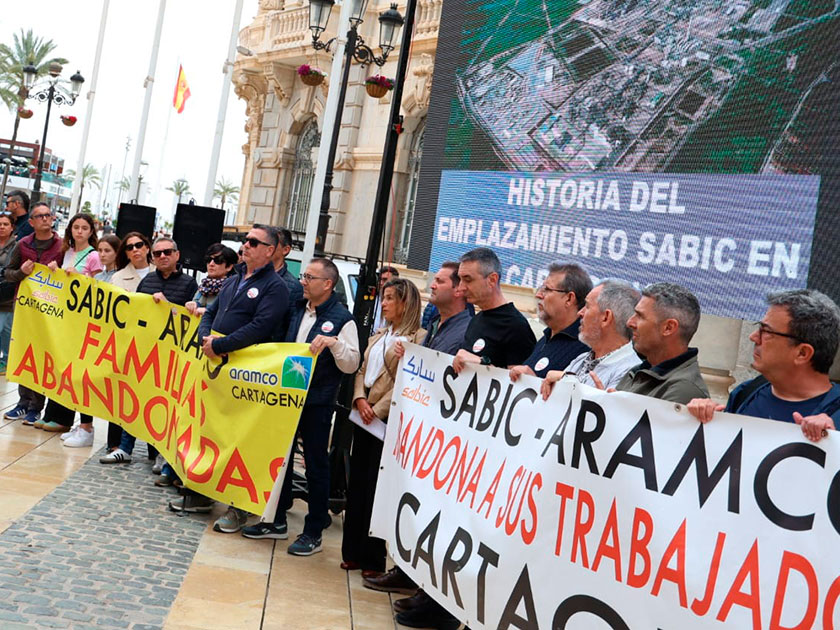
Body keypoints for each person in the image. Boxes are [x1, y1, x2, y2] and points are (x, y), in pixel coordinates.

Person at [170, 225, 290, 531]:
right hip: (219, 369)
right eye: (245, 240)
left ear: (270, 250)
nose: (245, 245)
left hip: (249, 373)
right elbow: (211, 312)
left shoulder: (275, 287)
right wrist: (205, 337)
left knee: (244, 440)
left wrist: (221, 345)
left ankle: (239, 507)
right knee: (213, 432)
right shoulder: (234, 279)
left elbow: (261, 326)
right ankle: (202, 493)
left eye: (253, 242)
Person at [242, 257, 360, 554]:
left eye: (309, 277)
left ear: (328, 284)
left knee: (316, 465)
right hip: (286, 398)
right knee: (278, 459)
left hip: (317, 402)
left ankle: (313, 530)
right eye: (303, 276)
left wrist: (334, 343)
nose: (303, 281)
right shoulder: (296, 308)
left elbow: (351, 364)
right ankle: (276, 519)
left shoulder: (342, 318)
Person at [342, 278, 425, 576]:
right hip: (364, 413)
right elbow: (362, 370)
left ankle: (372, 558)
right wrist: (359, 399)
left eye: (391, 298)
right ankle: (352, 550)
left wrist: (376, 410)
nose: (385, 304)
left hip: (386, 419)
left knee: (375, 489)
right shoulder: (380, 334)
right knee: (357, 484)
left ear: (405, 303)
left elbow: (406, 380)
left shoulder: (418, 338)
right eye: (384, 298)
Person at [688, 289, 840, 442]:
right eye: (758, 327)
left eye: (766, 332)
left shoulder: (834, 416)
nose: (753, 337)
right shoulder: (746, 393)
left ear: (802, 353)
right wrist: (703, 419)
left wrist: (833, 441)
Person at [100, 237, 197, 465]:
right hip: (145, 352)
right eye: (157, 253)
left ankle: (162, 453)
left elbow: (191, 320)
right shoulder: (148, 281)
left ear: (177, 255)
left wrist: (167, 306)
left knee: (164, 405)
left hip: (171, 357)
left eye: (167, 252)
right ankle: (125, 447)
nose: (162, 256)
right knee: (134, 399)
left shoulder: (189, 284)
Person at [39, 213, 103, 442]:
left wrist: (81, 278)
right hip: (65, 315)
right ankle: (53, 412)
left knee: (74, 367)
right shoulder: (67, 252)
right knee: (60, 363)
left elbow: (100, 288)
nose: (79, 231)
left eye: (84, 228)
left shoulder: (93, 256)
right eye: (76, 227)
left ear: (91, 231)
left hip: (81, 318)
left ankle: (66, 417)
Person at [3, 203, 64, 425]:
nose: (45, 219)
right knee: (24, 353)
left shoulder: (61, 246)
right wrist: (21, 272)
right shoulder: (23, 244)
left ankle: (36, 406)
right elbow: (7, 273)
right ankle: (23, 402)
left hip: (50, 310)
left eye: (48, 215)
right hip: (25, 308)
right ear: (31, 222)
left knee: (42, 356)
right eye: (40, 216)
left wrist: (59, 271)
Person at [540, 281, 641, 397]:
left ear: (606, 317)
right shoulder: (581, 359)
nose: (580, 313)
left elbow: (603, 407)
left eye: (587, 306)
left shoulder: (629, 372)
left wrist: (568, 380)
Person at [614, 282, 709, 403]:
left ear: (668, 328)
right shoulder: (639, 371)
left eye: (640, 316)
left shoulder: (683, 390)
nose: (630, 323)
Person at [452, 248, 536, 373]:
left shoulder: (516, 326)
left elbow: (521, 380)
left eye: (468, 280)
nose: (461, 287)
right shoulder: (476, 319)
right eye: (460, 280)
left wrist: (483, 364)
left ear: (492, 280)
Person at [509, 262, 591, 381]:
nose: (538, 295)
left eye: (547, 289)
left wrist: (533, 381)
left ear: (569, 299)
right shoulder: (545, 338)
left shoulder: (586, 348)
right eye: (541, 289)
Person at [185, 243, 237, 311]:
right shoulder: (204, 286)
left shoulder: (233, 289)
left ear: (229, 266)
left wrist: (208, 313)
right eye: (208, 259)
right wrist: (192, 305)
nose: (211, 264)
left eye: (218, 260)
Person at [0, 212, 18, 374]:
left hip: (6, 294)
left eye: (5, 224)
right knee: (5, 329)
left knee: (5, 328)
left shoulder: (16, 246)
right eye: (0, 224)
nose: (2, 227)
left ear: (12, 228)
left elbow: (11, 269)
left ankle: (6, 360)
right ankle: (6, 360)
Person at [371, 265, 399, 332]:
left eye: (385, 280)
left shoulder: (401, 303)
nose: (381, 283)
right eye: (380, 279)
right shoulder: (373, 300)